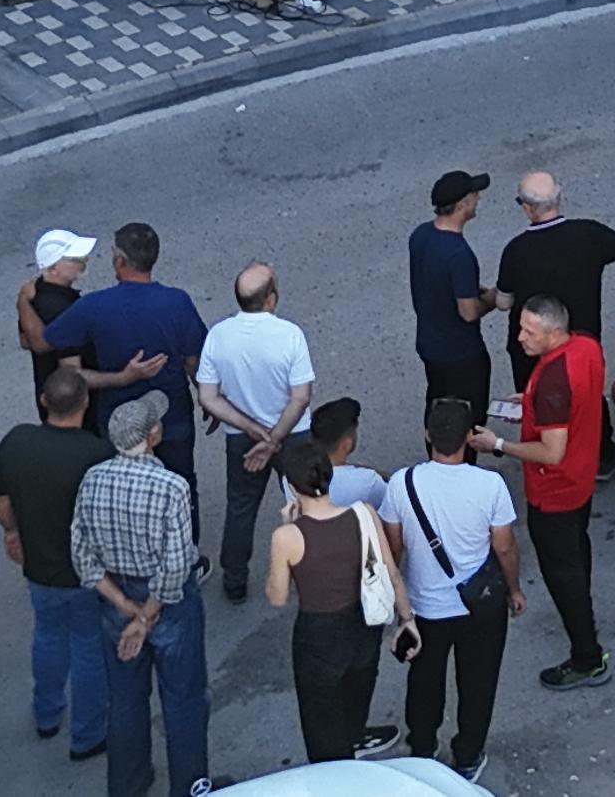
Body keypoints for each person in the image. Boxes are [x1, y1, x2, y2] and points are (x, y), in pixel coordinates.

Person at [70, 393, 209, 797]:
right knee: (184, 699)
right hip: (165, 605)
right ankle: (190, 788)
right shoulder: (171, 487)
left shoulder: (92, 479)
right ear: (153, 436)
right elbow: (176, 565)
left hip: (117, 599)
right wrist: (147, 616)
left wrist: (125, 608)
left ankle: (127, 785)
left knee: (126, 700)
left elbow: (83, 557)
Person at [387, 398, 523, 778]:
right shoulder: (489, 485)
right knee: (478, 682)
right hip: (479, 607)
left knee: (425, 680)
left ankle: (422, 749)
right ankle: (467, 756)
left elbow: (393, 547)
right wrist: (514, 590)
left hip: (425, 608)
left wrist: (398, 601)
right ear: (468, 438)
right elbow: (505, 547)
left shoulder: (403, 482)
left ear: (427, 434)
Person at [480, 297, 610, 690]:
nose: (519, 338)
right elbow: (573, 399)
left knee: (561, 570)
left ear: (554, 333)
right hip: (582, 478)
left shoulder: (554, 382)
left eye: (528, 332)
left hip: (554, 491)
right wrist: (532, 400)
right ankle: (583, 611)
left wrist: (498, 444)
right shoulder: (584, 346)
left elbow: (551, 451)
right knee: (576, 550)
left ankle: (587, 658)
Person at [0, 365, 114, 756]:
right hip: (86, 572)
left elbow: (1, 501)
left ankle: (47, 715)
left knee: (47, 636)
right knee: (88, 646)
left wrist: (13, 533)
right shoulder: (96, 453)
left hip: (39, 568)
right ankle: (88, 734)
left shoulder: (16, 443)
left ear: (44, 401)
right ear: (85, 401)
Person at [191, 263, 317, 601]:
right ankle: (311, 573)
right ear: (270, 299)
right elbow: (301, 396)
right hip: (293, 435)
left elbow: (208, 396)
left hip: (242, 439)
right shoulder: (290, 334)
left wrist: (251, 429)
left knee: (241, 506)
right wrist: (273, 438)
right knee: (306, 503)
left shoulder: (219, 335)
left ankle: (235, 580)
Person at [52, 222, 204, 493]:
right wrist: (209, 400)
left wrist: (122, 378)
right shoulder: (177, 302)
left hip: (117, 423)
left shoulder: (92, 307)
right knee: (182, 486)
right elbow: (194, 363)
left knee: (124, 492)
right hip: (173, 416)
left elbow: (66, 369)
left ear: (119, 260)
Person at [262, 437, 388, 762]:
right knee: (354, 707)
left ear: (292, 486)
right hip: (363, 625)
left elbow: (277, 597)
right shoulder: (364, 515)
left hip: (318, 637)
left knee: (322, 731)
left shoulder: (287, 537)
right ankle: (354, 743)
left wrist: (288, 526)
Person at [489, 171, 615, 381]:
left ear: (528, 208)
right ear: (559, 199)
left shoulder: (515, 250)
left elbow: (503, 302)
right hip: (582, 345)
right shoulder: (590, 234)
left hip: (533, 351)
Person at [407, 172, 497, 415]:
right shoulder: (459, 255)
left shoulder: (420, 235)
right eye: (474, 195)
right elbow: (468, 312)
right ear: (461, 206)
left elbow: (433, 276)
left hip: (429, 345)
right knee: (467, 417)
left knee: (437, 405)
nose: (478, 198)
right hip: (461, 353)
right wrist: (490, 300)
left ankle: (434, 448)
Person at [20, 228, 96, 407]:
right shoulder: (62, 309)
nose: (84, 261)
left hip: (50, 397)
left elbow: (25, 341)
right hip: (74, 406)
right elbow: (73, 372)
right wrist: (122, 378)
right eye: (74, 259)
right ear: (53, 268)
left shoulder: (34, 292)